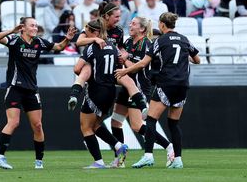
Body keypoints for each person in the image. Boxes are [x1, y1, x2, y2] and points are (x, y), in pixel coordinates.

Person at [115, 12, 201, 169]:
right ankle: (178, 160)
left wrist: (124, 71)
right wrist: (182, 56)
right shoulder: (184, 39)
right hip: (182, 85)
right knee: (174, 124)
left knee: (151, 120)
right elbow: (197, 60)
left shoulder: (159, 41)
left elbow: (142, 64)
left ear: (162, 24)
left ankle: (148, 155)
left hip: (165, 84)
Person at [0, 17, 76, 170]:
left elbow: (58, 47)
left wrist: (67, 39)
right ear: (23, 27)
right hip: (15, 88)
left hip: (31, 90)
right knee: (14, 122)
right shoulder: (14, 40)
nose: (35, 28)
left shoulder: (39, 42)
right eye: (32, 25)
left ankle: (39, 161)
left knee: (37, 125)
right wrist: (12, 30)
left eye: (36, 25)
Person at [110, 16, 174, 168]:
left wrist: (123, 59)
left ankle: (168, 146)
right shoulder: (127, 42)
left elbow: (136, 65)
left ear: (142, 29)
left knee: (137, 126)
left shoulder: (146, 44)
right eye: (130, 22)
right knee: (115, 122)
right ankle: (120, 160)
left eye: (133, 23)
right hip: (126, 87)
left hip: (138, 88)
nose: (130, 25)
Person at [72, 19, 128, 169]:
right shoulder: (113, 46)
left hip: (96, 90)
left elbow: (77, 69)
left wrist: (87, 69)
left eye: (87, 29)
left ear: (95, 32)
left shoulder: (91, 48)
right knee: (96, 125)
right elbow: (120, 63)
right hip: (111, 91)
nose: (85, 32)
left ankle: (98, 161)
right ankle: (118, 146)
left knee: (86, 127)